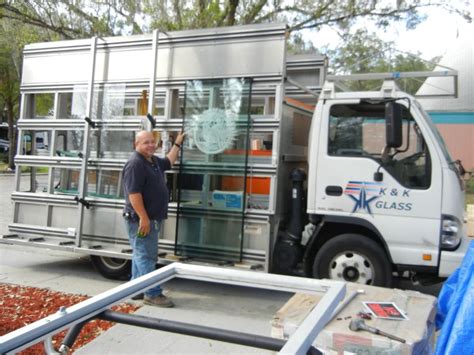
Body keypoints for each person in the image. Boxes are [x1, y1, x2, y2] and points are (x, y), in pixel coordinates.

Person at [122, 130, 184, 307]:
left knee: (140, 253)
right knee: (146, 256)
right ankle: (152, 293)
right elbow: (134, 194)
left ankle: (136, 288)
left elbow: (169, 162)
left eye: (152, 141)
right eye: (145, 142)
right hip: (140, 220)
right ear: (136, 144)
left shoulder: (153, 160)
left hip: (149, 219)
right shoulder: (135, 164)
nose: (150, 145)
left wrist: (177, 143)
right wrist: (144, 218)